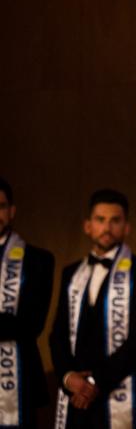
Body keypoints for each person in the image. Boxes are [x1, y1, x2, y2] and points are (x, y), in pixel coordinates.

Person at [49, 189, 136, 428]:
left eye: (115, 220)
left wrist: (93, 381)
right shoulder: (71, 273)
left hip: (118, 388)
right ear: (87, 226)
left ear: (127, 227)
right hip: (74, 393)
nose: (107, 227)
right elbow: (58, 333)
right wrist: (69, 378)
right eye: (100, 220)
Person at [0, 178, 54, 428]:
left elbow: (31, 324)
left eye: (0, 206)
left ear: (12, 210)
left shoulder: (39, 260)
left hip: (19, 381)